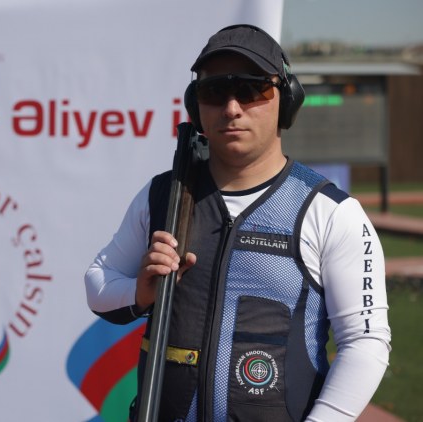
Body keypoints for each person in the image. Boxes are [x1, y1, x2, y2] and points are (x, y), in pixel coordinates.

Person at [84, 24, 391, 422]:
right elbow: (98, 283)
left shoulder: (330, 211)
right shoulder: (162, 195)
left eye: (251, 90)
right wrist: (140, 292)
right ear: (196, 105)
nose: (231, 108)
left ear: (287, 99)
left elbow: (366, 341)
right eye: (214, 92)